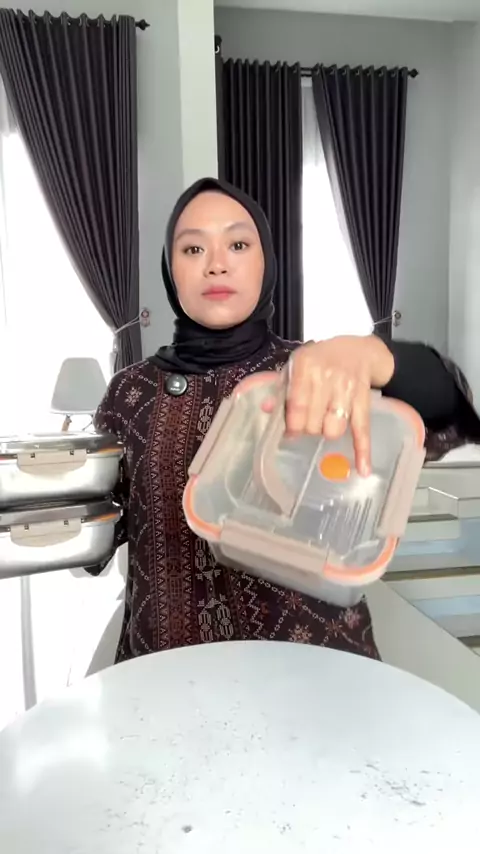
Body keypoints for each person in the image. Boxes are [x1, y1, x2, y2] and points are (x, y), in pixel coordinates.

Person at [92, 177, 480, 663]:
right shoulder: (129, 392)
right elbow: (98, 530)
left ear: (267, 262)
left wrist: (377, 357)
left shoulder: (319, 372)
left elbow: (451, 413)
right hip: (166, 672)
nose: (216, 263)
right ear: (171, 270)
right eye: (193, 249)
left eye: (238, 244)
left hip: (314, 671)